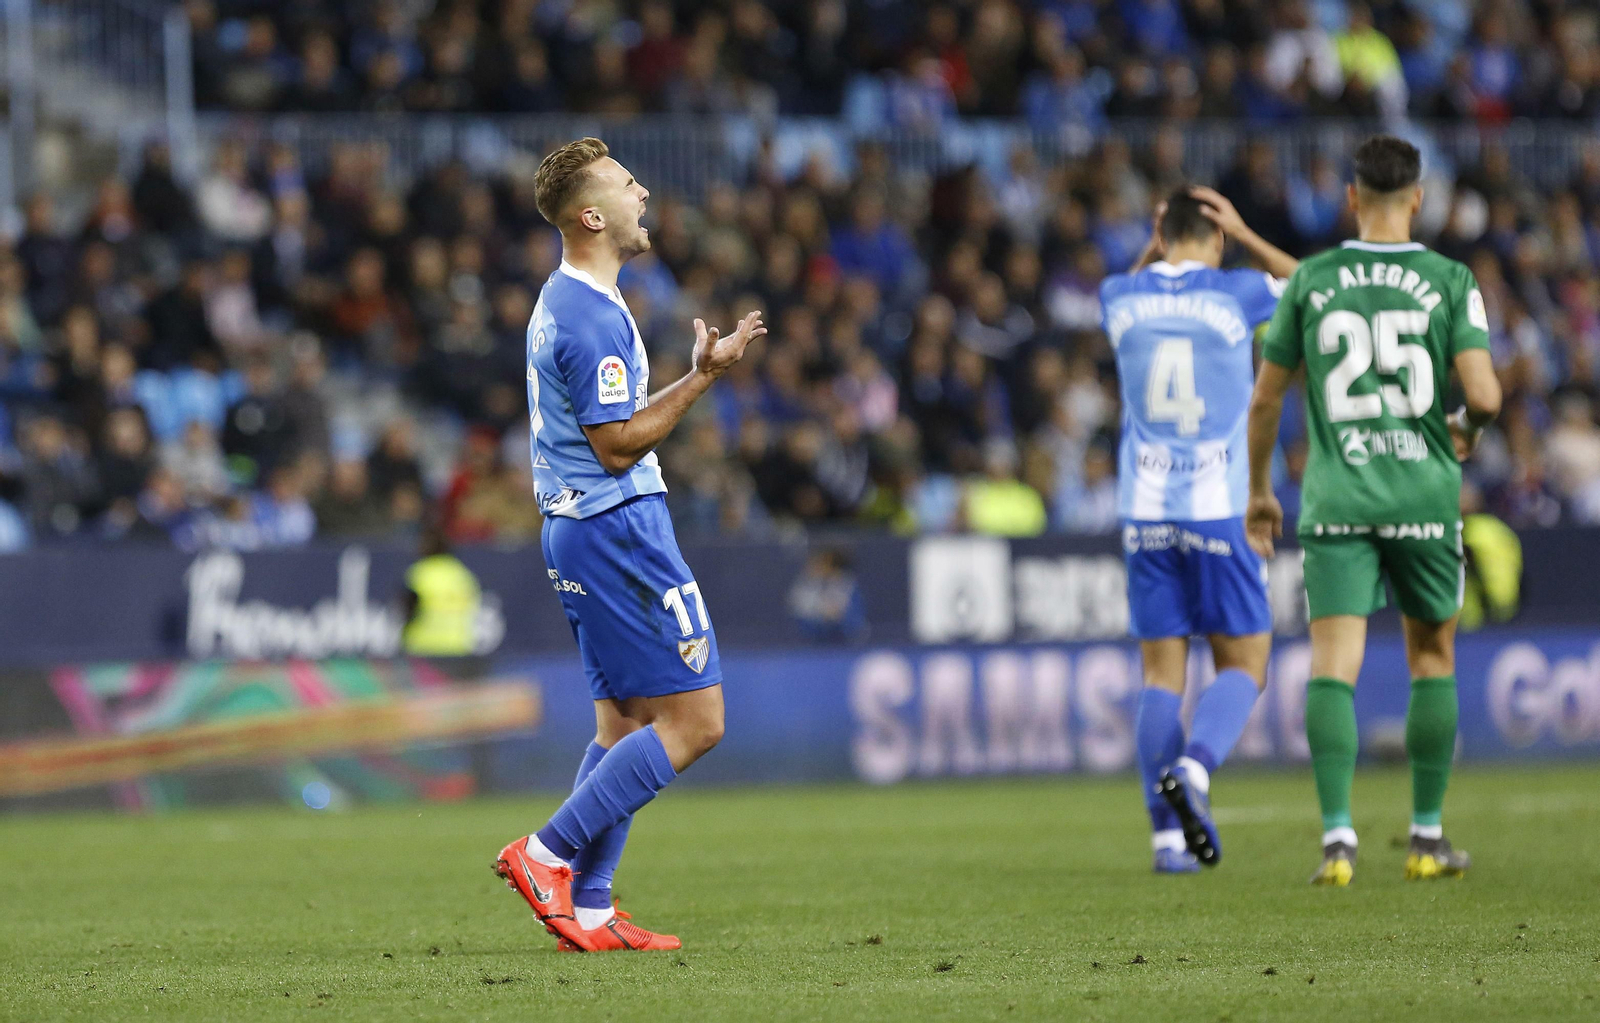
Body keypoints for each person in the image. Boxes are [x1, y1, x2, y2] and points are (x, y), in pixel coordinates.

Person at [492, 138, 765, 952]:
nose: (642, 191)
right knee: (697, 720)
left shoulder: (568, 298)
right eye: (625, 184)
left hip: (579, 528)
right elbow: (616, 444)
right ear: (591, 215)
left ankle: (595, 906)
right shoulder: (586, 315)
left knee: (624, 725)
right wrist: (705, 378)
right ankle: (545, 853)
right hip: (616, 527)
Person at [1246, 135, 1502, 886]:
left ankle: (1337, 840)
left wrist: (1260, 491)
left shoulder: (1315, 278)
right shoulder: (1451, 278)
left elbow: (1266, 398)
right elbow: (1485, 395)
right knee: (1433, 656)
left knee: (1333, 665)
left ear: (1351, 198)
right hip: (1424, 495)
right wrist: (1466, 428)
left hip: (1338, 497)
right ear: (1418, 198)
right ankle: (1426, 838)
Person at [1101, 186, 1299, 874]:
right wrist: (1245, 230)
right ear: (1214, 239)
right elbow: (1317, 284)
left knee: (1161, 673)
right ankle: (1195, 768)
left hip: (1144, 510)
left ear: (1161, 235)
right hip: (1219, 503)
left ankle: (1166, 841)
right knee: (1246, 662)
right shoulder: (1237, 291)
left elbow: (1131, 284)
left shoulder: (1118, 296)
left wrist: (1154, 244)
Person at [400, 524, 481, 656]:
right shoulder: (463, 574)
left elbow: (408, 609)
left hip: (423, 646)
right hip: (457, 647)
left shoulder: (421, 572)